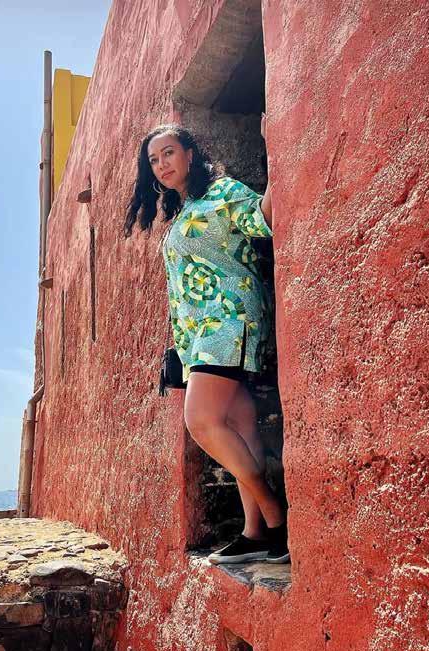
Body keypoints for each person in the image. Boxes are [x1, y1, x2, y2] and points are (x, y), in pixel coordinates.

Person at [123, 121, 289, 565]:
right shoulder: (185, 210)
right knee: (239, 422)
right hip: (199, 334)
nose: (162, 165)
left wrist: (277, 151)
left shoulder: (222, 192)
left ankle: (275, 516)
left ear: (190, 154)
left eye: (169, 153)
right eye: (154, 160)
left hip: (229, 317)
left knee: (201, 420)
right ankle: (255, 533)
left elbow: (263, 219)